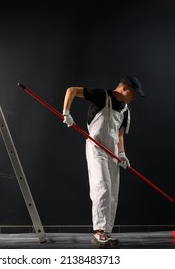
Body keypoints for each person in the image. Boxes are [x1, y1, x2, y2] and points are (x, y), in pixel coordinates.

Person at [62, 76, 145, 248]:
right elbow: (71, 90)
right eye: (134, 93)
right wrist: (66, 113)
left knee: (112, 192)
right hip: (96, 148)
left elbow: (120, 134)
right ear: (124, 87)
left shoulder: (126, 110)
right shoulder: (101, 95)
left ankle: (106, 233)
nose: (135, 97)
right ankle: (99, 233)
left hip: (113, 153)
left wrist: (122, 154)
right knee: (102, 187)